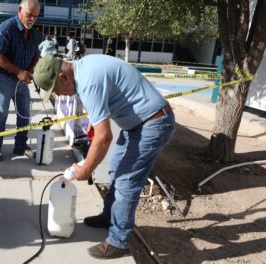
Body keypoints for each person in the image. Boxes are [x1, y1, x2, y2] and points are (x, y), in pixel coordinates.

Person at [33, 55, 176, 259]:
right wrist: (94, 117)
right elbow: (105, 94)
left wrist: (86, 169)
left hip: (153, 124)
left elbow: (103, 138)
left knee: (127, 181)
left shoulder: (88, 80)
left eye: (56, 90)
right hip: (137, 124)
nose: (60, 95)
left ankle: (120, 241)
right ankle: (110, 216)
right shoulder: (83, 69)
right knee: (115, 168)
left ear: (63, 76)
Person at [0, 0, 41, 161]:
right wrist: (19, 71)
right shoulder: (7, 28)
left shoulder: (34, 34)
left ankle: (20, 146)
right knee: (1, 113)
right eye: (29, 14)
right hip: (4, 79)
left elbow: (36, 55)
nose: (32, 19)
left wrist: (31, 70)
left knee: (24, 114)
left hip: (22, 82)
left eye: (35, 16)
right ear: (20, 10)